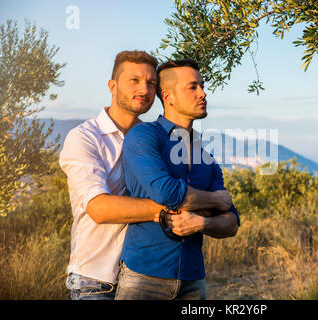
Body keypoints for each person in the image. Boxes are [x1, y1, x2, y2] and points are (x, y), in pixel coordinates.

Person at [59, 51, 232, 300]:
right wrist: (186, 208)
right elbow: (99, 208)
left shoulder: (155, 138)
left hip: (144, 270)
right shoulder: (85, 137)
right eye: (134, 80)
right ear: (112, 85)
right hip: (97, 277)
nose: (144, 89)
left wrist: (200, 214)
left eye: (151, 83)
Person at [115, 59, 240, 300]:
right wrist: (216, 199)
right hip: (144, 278)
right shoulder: (144, 135)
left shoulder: (205, 155)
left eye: (202, 86)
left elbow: (232, 222)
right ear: (168, 96)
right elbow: (166, 193)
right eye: (193, 87)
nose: (203, 94)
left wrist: (202, 224)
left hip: (194, 280)